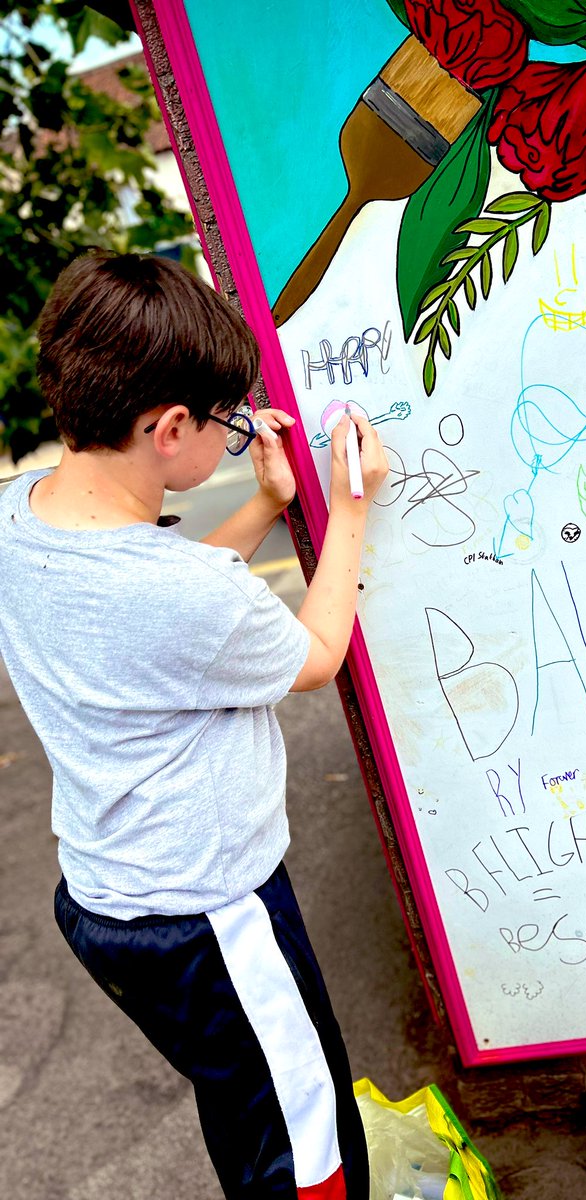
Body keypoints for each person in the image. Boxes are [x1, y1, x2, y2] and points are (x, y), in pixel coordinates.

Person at [0, 251, 389, 1200]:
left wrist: (262, 503)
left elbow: (163, 623)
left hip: (107, 895)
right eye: (226, 419)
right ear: (169, 428)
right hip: (208, 914)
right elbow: (313, 655)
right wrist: (350, 506)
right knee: (304, 1148)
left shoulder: (20, 516)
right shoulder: (181, 594)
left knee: (245, 1101)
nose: (235, 431)